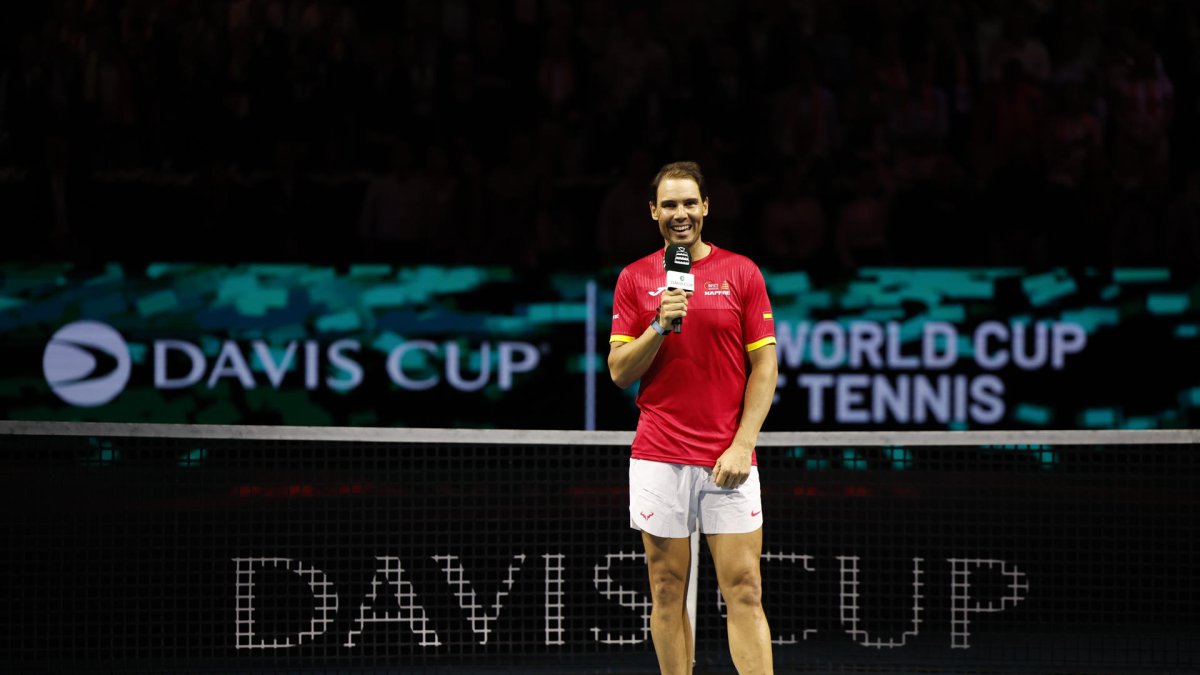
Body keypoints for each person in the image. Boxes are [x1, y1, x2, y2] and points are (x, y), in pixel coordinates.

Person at [608, 161, 778, 674]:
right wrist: (659, 326)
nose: (680, 214)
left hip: (728, 456)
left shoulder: (742, 272)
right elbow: (618, 371)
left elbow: (765, 365)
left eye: (689, 203)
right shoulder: (635, 279)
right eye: (669, 205)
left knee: (745, 587)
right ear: (653, 211)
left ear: (705, 207)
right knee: (665, 590)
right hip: (659, 454)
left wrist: (741, 444)